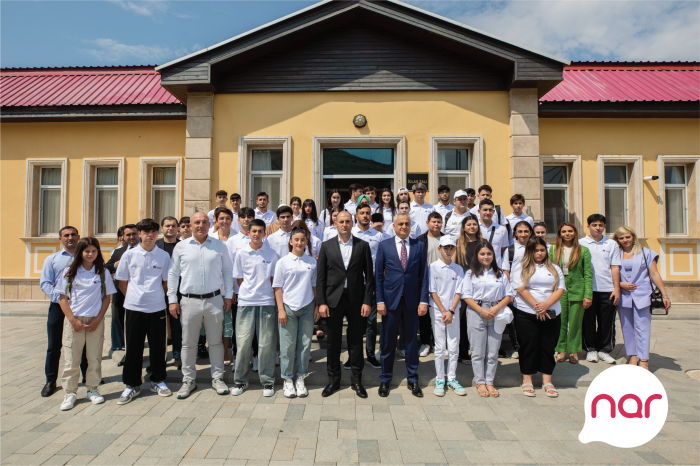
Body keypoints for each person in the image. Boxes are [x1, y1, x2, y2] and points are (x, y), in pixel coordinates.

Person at [168, 212, 234, 399]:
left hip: (214, 300)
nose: (201, 225)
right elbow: (173, 274)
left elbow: (228, 271)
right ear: (190, 225)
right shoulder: (181, 247)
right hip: (189, 301)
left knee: (215, 342)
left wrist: (228, 295)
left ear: (210, 223)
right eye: (197, 222)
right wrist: (172, 299)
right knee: (188, 344)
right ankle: (188, 380)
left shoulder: (220, 246)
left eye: (205, 222)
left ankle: (217, 378)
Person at [317, 211, 374, 398]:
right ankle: (333, 380)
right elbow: (321, 278)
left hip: (356, 301)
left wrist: (367, 301)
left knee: (356, 341)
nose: (344, 224)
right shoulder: (326, 246)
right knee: (333, 341)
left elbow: (369, 277)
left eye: (347, 221)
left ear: (353, 223)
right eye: (341, 221)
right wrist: (322, 303)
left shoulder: (363, 246)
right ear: (335, 223)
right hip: (333, 300)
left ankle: (356, 380)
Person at [114, 219, 172, 404]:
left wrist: (152, 297)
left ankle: (157, 380)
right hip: (133, 308)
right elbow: (122, 282)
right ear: (139, 233)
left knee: (158, 347)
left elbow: (166, 284)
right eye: (146, 232)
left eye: (153, 231)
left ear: (158, 233)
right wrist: (135, 297)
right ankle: (132, 385)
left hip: (156, 308)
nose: (150, 235)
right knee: (133, 348)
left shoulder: (163, 256)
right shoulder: (129, 255)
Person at [56, 237, 117, 410]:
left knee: (94, 357)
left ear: (98, 252)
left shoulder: (102, 272)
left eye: (94, 251)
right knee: (71, 359)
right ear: (80, 252)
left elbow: (107, 298)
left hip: (95, 321)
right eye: (86, 251)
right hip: (74, 321)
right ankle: (70, 393)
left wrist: (98, 319)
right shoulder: (70, 271)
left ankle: (93, 389)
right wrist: (72, 320)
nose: (90, 254)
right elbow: (62, 298)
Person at [376, 212, 429, 398]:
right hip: (390, 302)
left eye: (407, 224)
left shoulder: (419, 246)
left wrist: (423, 301)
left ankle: (413, 379)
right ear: (394, 226)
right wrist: (380, 301)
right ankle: (385, 379)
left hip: (412, 302)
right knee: (388, 342)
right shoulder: (384, 246)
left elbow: (424, 276)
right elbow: (378, 277)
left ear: (411, 225)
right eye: (400, 224)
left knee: (411, 342)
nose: (404, 227)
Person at [511, 237, 566, 398]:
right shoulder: (520, 267)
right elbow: (521, 289)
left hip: (551, 312)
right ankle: (527, 379)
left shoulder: (555, 268)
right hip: (526, 313)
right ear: (530, 251)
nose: (539, 253)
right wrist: (537, 306)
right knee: (528, 346)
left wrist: (546, 305)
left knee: (548, 346)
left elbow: (560, 289)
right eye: (536, 250)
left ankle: (547, 380)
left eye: (542, 250)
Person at [231, 219, 279, 397]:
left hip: (266, 302)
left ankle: (267, 382)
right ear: (248, 232)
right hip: (246, 303)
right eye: (254, 231)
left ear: (264, 233)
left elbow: (275, 280)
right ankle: (241, 381)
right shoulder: (241, 253)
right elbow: (239, 279)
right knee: (243, 343)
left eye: (260, 231)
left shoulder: (272, 254)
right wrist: (250, 292)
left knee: (266, 344)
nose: (257, 234)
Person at [39, 226, 88, 397]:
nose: (70, 238)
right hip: (58, 308)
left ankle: (88, 376)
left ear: (78, 237)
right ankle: (50, 380)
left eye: (73, 235)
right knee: (54, 345)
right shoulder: (52, 259)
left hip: (80, 307)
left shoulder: (86, 257)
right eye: (66, 235)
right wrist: (61, 300)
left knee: (81, 343)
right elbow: (45, 283)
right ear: (60, 239)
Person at [613, 226, 670, 370]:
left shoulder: (646, 253)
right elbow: (609, 275)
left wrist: (665, 295)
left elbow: (655, 274)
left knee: (643, 328)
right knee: (627, 327)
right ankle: (633, 355)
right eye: (621, 238)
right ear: (617, 240)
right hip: (624, 296)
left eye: (628, 237)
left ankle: (644, 359)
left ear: (633, 237)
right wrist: (620, 284)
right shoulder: (615, 254)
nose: (625, 240)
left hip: (643, 295)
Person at [462, 241, 513, 398]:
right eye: (482, 254)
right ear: (477, 256)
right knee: (477, 351)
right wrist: (482, 310)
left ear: (493, 255)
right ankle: (480, 382)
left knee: (493, 351)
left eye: (489, 254)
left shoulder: (500, 274)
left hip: (496, 312)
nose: (486, 256)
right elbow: (466, 296)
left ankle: (490, 381)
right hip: (477, 312)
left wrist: (496, 308)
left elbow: (509, 295)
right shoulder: (471, 274)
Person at [273, 226, 319, 398]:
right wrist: (280, 310)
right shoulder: (282, 262)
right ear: (290, 242)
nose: (300, 243)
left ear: (307, 242)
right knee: (287, 346)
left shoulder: (312, 262)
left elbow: (314, 286)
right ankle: (287, 379)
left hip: (307, 307)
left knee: (305, 345)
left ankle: (300, 377)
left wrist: (316, 306)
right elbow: (278, 288)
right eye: (296, 240)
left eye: (303, 239)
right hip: (288, 308)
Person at [345, 203, 387, 370]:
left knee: (371, 323)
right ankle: (352, 356)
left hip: (373, 284)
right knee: (354, 324)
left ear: (371, 216)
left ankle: (370, 355)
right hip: (354, 285)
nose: (364, 216)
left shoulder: (378, 236)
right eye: (361, 213)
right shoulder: (350, 234)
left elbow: (382, 262)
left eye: (367, 213)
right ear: (356, 216)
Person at [579, 214, 621, 364]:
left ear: (604, 226)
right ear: (588, 226)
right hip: (588, 290)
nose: (598, 228)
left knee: (607, 321)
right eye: (594, 225)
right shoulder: (580, 243)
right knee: (588, 321)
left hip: (607, 288)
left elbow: (615, 267)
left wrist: (616, 289)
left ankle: (604, 350)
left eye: (600, 225)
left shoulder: (611, 244)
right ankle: (590, 349)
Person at [428, 236, 467, 397]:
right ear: (439, 249)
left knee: (453, 345)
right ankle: (439, 379)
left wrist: (451, 311)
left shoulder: (458, 269)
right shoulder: (432, 267)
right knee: (439, 346)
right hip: (437, 310)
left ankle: (451, 378)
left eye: (451, 247)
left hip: (453, 311)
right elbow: (433, 290)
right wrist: (444, 310)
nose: (448, 250)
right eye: (445, 248)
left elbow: (459, 291)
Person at [550, 222, 592, 364]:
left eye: (570, 231)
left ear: (575, 233)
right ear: (559, 234)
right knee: (560, 321)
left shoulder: (583, 250)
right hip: (559, 289)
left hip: (577, 289)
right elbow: (549, 271)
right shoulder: (553, 249)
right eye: (564, 231)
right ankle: (561, 350)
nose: (567, 234)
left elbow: (588, 274)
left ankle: (573, 350)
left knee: (575, 322)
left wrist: (588, 295)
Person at [226, 207, 259, 368]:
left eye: (249, 217)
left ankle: (256, 356)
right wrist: (231, 290)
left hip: (257, 292)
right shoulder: (232, 241)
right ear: (238, 220)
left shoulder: (260, 239)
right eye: (243, 217)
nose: (246, 219)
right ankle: (238, 358)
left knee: (256, 328)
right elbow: (229, 268)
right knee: (239, 327)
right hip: (238, 293)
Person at [105, 224, 140, 367]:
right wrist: (116, 265)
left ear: (139, 234)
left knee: (137, 325)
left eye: (133, 234)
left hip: (140, 294)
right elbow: (107, 267)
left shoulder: (147, 250)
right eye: (128, 235)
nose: (131, 237)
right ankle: (128, 353)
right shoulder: (119, 252)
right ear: (124, 237)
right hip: (121, 291)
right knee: (123, 321)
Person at [454, 215, 482, 365]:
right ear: (464, 227)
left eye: (474, 224)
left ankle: (478, 353)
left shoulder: (483, 244)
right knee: (463, 320)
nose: (472, 226)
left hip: (480, 285)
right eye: (469, 224)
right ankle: (463, 353)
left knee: (478, 321)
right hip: (463, 286)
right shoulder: (458, 244)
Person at [416, 211, 444, 357]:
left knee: (441, 313)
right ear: (427, 223)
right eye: (433, 221)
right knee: (425, 314)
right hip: (425, 281)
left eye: (439, 222)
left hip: (443, 282)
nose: (436, 224)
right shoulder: (420, 240)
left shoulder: (447, 239)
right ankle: (426, 342)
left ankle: (440, 344)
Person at [156, 217, 182, 368]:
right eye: (167, 226)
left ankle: (177, 355)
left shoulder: (183, 246)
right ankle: (160, 357)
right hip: (157, 293)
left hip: (178, 293)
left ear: (178, 228)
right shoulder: (155, 246)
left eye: (173, 226)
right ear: (162, 228)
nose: (170, 228)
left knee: (177, 326)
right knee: (159, 328)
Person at [477, 199, 509, 265]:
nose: (488, 213)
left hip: (496, 269)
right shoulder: (474, 228)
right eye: (485, 210)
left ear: (494, 211)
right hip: (477, 269)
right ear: (479, 211)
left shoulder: (502, 229)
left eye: (490, 210)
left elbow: (503, 250)